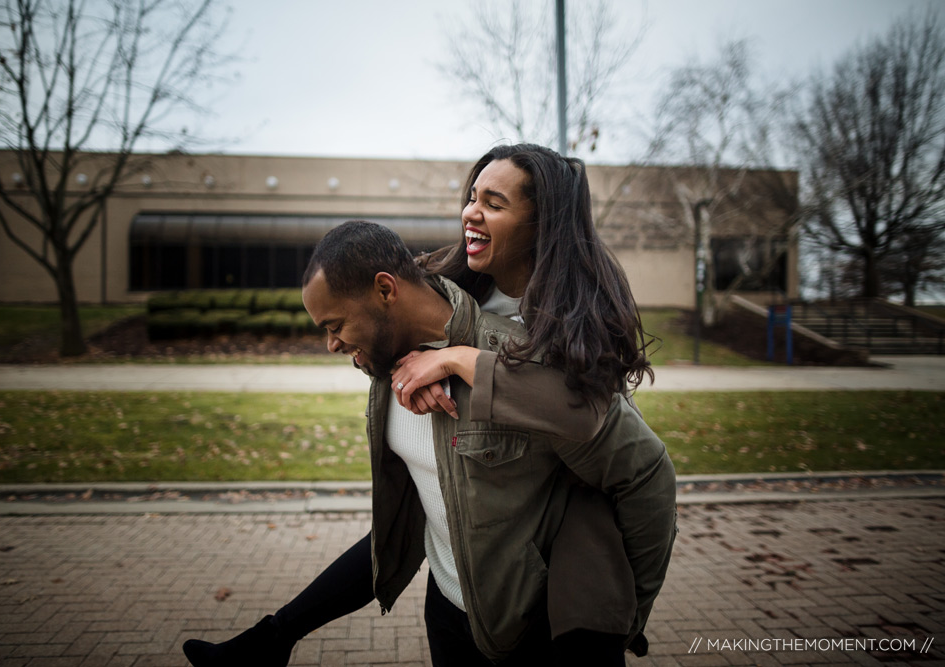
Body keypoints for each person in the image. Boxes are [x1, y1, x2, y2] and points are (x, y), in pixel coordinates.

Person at [183, 146, 675, 665]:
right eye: (471, 197)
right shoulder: (438, 310)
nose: (470, 211)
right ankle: (269, 642)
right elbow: (427, 505)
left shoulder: (554, 344)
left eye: (494, 202)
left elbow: (629, 459)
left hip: (537, 625)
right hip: (448, 611)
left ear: (540, 224)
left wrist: (622, 616)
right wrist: (395, 359)